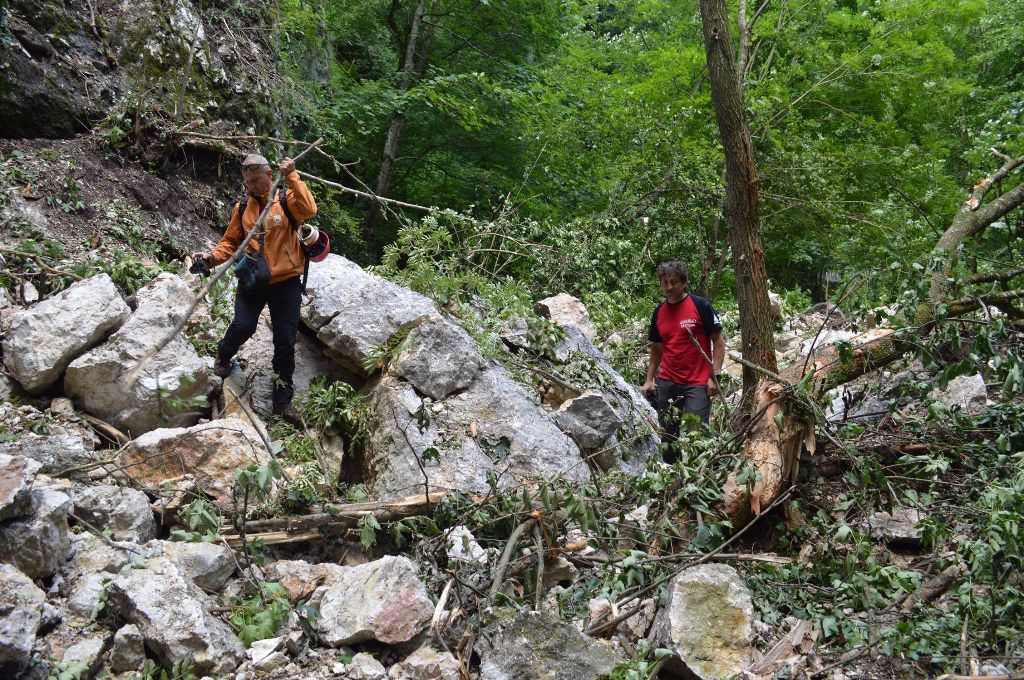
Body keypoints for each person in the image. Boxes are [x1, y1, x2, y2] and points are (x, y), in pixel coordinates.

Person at [192, 153, 318, 425]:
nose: (252, 186)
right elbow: (229, 241)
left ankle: (282, 403)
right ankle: (224, 354)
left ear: (269, 174)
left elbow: (309, 209)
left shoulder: (286, 200)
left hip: (286, 282)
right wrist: (211, 258)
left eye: (257, 180)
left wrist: (293, 176)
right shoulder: (242, 208)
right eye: (248, 182)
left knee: (284, 341)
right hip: (253, 279)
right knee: (243, 325)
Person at [640, 261, 726, 462]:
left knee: (697, 436)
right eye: (665, 283)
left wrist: (716, 376)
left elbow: (719, 342)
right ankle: (672, 480)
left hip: (697, 383)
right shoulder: (659, 312)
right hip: (668, 381)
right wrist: (649, 379)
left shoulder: (701, 306)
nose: (669, 287)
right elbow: (657, 348)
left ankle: (700, 478)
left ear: (684, 283)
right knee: (668, 438)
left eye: (674, 282)